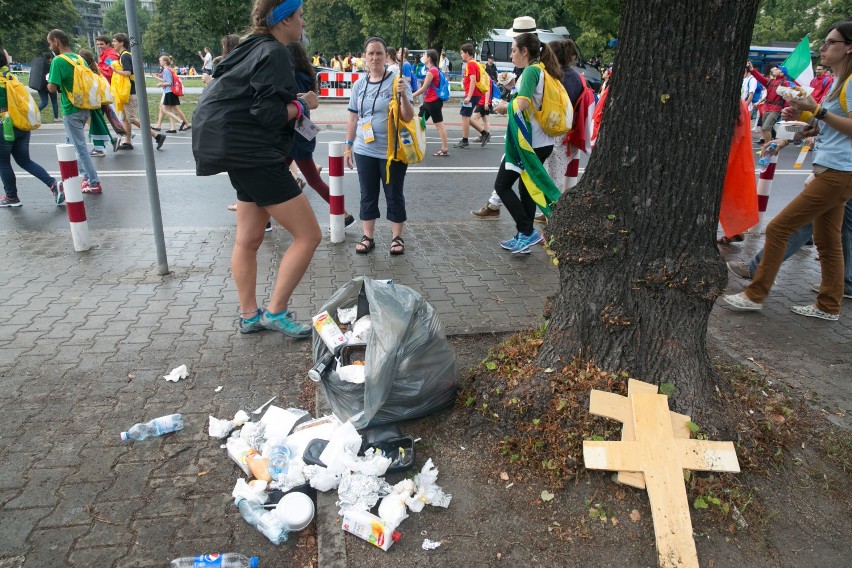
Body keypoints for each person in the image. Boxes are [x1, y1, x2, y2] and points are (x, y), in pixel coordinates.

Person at [193, 0, 321, 338]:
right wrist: (301, 103)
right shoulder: (276, 52)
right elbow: (267, 114)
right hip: (254, 154)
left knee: (248, 239)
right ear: (284, 20)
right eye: (300, 17)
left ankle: (250, 315)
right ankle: (276, 312)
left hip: (233, 150)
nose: (303, 24)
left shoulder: (249, 46)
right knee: (309, 235)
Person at [724, 20, 852, 321]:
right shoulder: (839, 81)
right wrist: (801, 120)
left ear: (848, 47)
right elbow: (827, 126)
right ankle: (829, 305)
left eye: (830, 42)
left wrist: (817, 111)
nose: (823, 48)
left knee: (781, 227)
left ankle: (755, 294)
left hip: (839, 172)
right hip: (832, 169)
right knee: (828, 240)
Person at [490, 32, 564, 254]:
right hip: (540, 141)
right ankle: (525, 237)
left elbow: (522, 103)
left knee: (502, 185)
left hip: (529, 143)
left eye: (513, 50)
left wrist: (504, 107)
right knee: (526, 187)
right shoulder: (541, 70)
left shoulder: (532, 70)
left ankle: (527, 231)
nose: (511, 54)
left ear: (524, 51)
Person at [345, 36, 414, 256]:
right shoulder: (359, 85)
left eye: (379, 53)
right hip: (364, 150)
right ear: (364, 57)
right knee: (368, 194)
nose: (374, 57)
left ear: (387, 57)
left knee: (394, 193)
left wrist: (403, 97)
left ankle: (397, 237)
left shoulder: (397, 81)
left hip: (392, 151)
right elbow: (353, 119)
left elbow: (407, 116)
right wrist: (348, 147)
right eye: (370, 53)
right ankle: (368, 237)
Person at [285, 40, 355, 227]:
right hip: (301, 132)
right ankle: (344, 215)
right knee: (280, 176)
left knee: (309, 180)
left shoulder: (289, 76)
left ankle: (344, 215)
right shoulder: (307, 76)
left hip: (290, 136)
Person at [0, 48, 63, 207]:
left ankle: (11, 197)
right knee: (24, 160)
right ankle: (53, 184)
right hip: (22, 125)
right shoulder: (11, 77)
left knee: (3, 162)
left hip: (4, 127)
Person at [46, 29, 103, 194]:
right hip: (84, 107)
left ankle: (93, 181)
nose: (50, 46)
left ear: (56, 41)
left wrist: (48, 79)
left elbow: (52, 87)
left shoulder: (58, 61)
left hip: (71, 109)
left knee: (79, 147)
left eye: (50, 43)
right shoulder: (80, 58)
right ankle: (83, 177)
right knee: (70, 144)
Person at [111, 33, 166, 151]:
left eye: (115, 41)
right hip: (127, 91)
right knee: (125, 118)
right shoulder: (123, 55)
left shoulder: (125, 56)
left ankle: (157, 136)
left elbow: (127, 72)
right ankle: (127, 142)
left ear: (121, 43)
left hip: (129, 92)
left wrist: (115, 70)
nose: (113, 43)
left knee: (130, 118)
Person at [78, 49, 117, 158]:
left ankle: (100, 147)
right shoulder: (95, 70)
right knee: (97, 122)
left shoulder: (87, 72)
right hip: (97, 100)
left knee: (95, 124)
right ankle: (110, 141)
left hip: (92, 101)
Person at [412, 49, 449, 157]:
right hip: (429, 102)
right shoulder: (433, 70)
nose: (423, 57)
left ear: (429, 58)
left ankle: (444, 149)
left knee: (439, 126)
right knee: (419, 122)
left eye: (424, 55)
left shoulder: (431, 71)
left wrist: (411, 95)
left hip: (433, 103)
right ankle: (417, 144)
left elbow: (423, 88)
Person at [454, 43, 489, 148]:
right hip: (474, 94)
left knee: (465, 116)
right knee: (466, 116)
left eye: (462, 53)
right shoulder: (473, 63)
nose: (461, 55)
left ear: (467, 53)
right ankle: (484, 133)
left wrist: (468, 97)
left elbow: (473, 80)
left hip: (472, 94)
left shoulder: (471, 64)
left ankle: (465, 140)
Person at [748, 62, 789, 143]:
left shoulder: (785, 83)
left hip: (776, 108)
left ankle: (768, 146)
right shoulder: (771, 81)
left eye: (778, 69)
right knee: (765, 127)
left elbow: (788, 97)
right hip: (767, 108)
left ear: (781, 73)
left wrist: (786, 109)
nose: (775, 69)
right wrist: (752, 70)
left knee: (766, 128)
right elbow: (760, 78)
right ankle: (770, 144)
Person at [152, 55, 190, 133]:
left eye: (160, 60)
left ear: (165, 62)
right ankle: (174, 127)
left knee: (165, 110)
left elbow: (169, 82)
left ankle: (181, 122)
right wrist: (158, 79)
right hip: (171, 92)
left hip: (169, 92)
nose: (159, 62)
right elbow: (167, 80)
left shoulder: (166, 70)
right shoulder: (169, 69)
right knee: (170, 109)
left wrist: (160, 84)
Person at [29, 52, 58, 120]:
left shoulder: (39, 65)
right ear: (49, 58)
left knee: (44, 102)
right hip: (50, 85)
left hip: (40, 87)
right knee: (54, 101)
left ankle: (34, 114)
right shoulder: (50, 65)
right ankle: (56, 117)